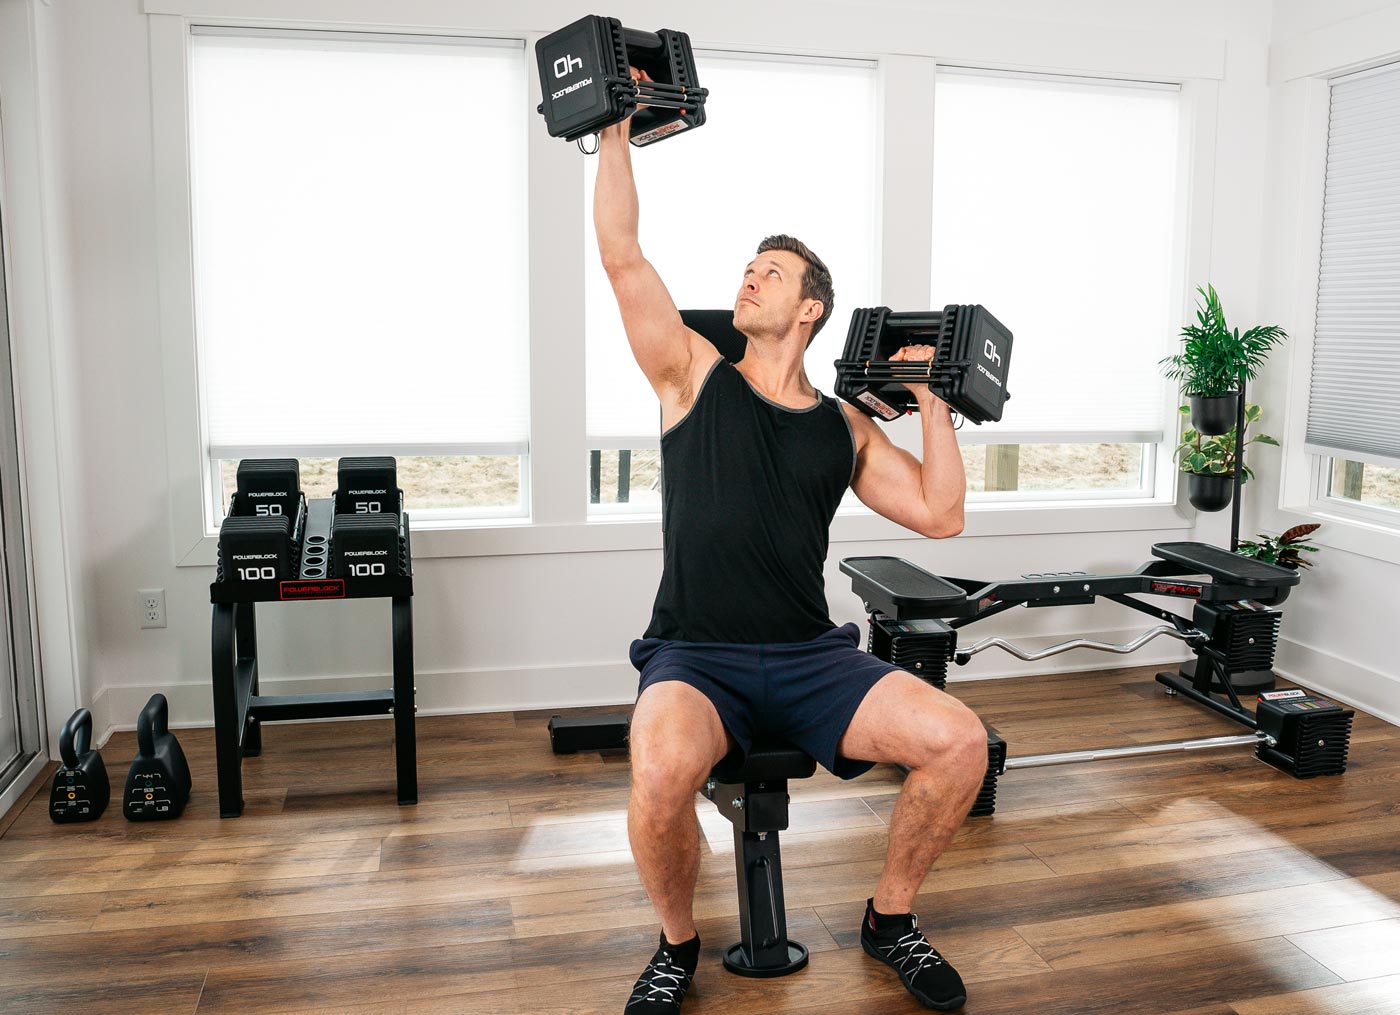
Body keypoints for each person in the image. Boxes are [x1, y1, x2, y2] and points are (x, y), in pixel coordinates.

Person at [595, 71, 987, 1015]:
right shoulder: (693, 375)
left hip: (810, 658)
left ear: (809, 308)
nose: (749, 276)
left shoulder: (845, 426)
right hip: (698, 653)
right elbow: (621, 254)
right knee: (659, 769)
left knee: (960, 741)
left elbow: (940, 513)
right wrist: (613, 131)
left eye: (771, 271)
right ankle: (676, 945)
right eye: (747, 266)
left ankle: (890, 919)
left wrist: (932, 398)